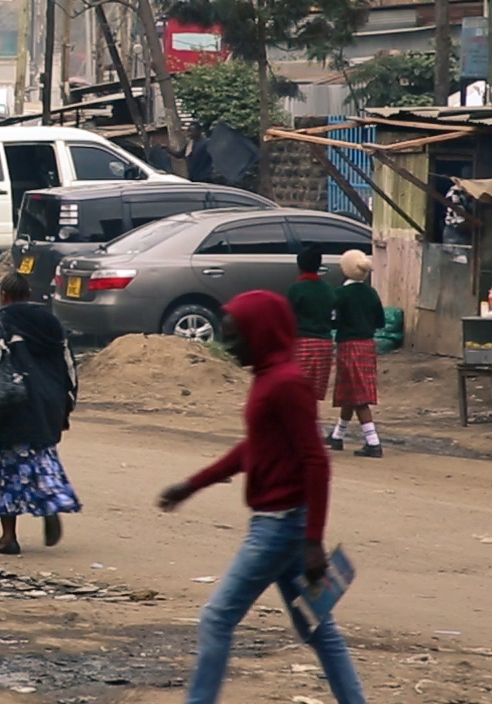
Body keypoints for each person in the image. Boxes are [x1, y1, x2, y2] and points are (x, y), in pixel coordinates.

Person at [159, 291, 364, 704]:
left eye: (236, 337)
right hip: (283, 527)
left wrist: (312, 539)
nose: (229, 346)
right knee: (318, 629)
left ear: (261, 334)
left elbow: (316, 461)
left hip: (279, 527)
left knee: (217, 619)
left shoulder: (286, 384)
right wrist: (192, 485)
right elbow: (254, 448)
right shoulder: (270, 378)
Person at [0, 272, 81, 555]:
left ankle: (8, 537)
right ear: (28, 294)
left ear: (4, 295)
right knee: (39, 461)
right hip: (46, 405)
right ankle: (48, 506)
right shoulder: (52, 323)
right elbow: (70, 370)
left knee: (2, 473)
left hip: (9, 408)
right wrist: (66, 407)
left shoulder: (0, 322)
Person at [330, 249, 385, 457]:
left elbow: (333, 320)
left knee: (358, 395)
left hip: (349, 346)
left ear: (344, 270)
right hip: (368, 345)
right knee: (351, 393)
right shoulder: (371, 293)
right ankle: (337, 436)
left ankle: (373, 442)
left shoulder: (340, 294)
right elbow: (380, 321)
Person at [287, 247, 337, 427]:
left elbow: (287, 317)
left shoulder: (296, 289)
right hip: (324, 345)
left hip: (302, 343)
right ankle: (311, 426)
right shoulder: (328, 289)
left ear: (299, 266)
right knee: (313, 392)